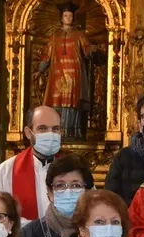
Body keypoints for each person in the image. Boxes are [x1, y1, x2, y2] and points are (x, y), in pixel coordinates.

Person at [0, 105, 62, 222]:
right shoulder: (5, 171)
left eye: (55, 129)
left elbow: (89, 210)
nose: (50, 134)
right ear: (28, 132)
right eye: (42, 129)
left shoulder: (75, 169)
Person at [21, 154, 95, 237]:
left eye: (76, 185)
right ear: (50, 193)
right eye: (60, 185)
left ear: (88, 191)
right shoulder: (28, 234)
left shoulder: (100, 230)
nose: (68, 191)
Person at [39, 2, 95, 139]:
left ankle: (71, 131)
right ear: (61, 18)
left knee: (72, 102)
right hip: (57, 74)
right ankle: (56, 130)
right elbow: (47, 54)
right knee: (57, 101)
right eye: (66, 15)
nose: (68, 18)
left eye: (70, 15)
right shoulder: (55, 36)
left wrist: (93, 51)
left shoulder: (79, 34)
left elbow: (87, 50)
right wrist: (40, 69)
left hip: (74, 73)